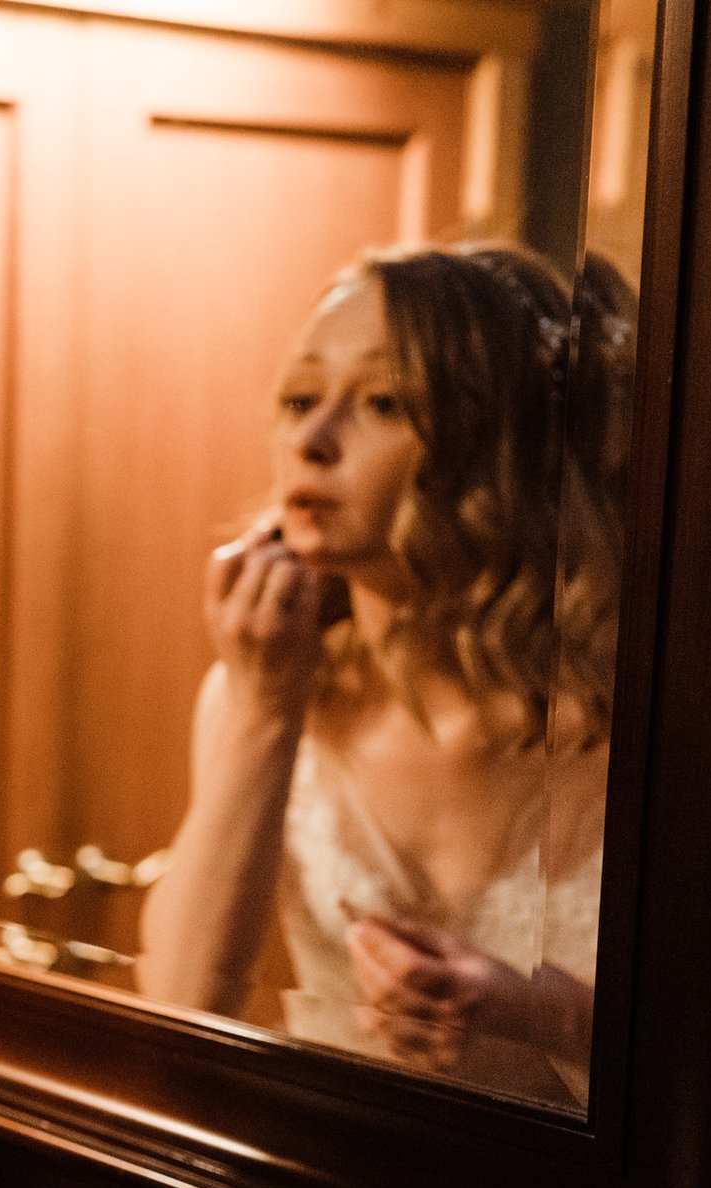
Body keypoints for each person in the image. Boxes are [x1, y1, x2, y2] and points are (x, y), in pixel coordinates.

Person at [137, 243, 632, 1104]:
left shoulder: (637, 715)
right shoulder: (264, 690)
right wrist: (262, 708)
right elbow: (184, 1003)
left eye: (380, 402)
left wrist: (536, 1012)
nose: (311, 440)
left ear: (500, 445)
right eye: (299, 398)